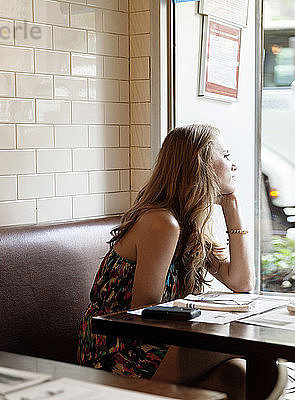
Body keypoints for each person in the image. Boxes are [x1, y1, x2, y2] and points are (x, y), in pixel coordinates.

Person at [77, 124, 253, 399]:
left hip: (158, 345)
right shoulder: (162, 222)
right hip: (117, 352)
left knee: (242, 378)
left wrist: (233, 209)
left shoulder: (187, 222)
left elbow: (240, 282)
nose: (234, 165)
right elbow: (143, 314)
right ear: (202, 164)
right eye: (226, 155)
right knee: (236, 342)